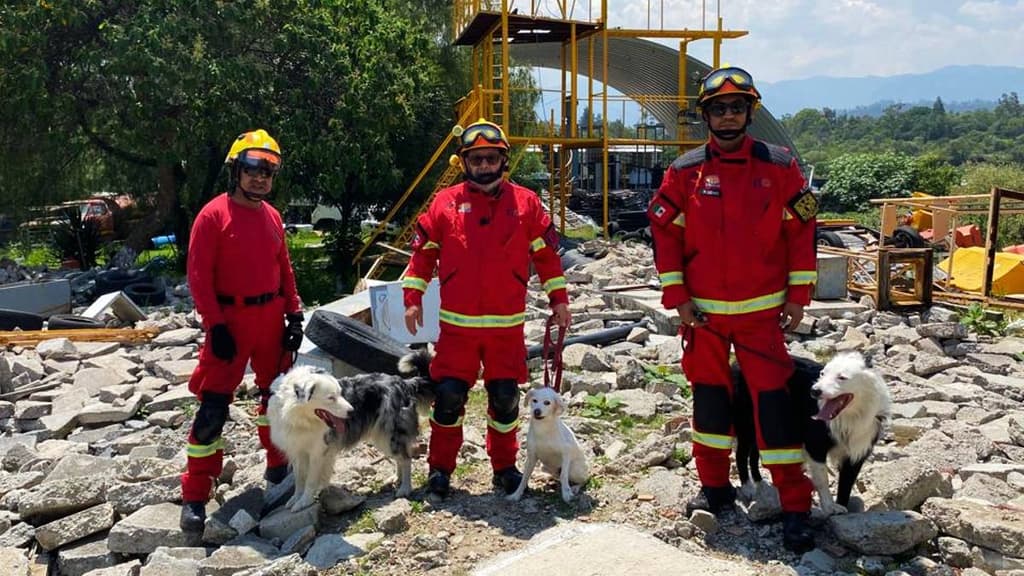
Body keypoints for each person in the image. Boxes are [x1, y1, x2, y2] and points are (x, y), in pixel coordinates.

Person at [647, 66, 819, 552]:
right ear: (706, 116)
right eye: (718, 109)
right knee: (711, 401)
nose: (728, 116)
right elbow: (664, 234)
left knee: (774, 407)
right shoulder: (684, 173)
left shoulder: (780, 167)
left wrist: (798, 296)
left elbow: (802, 232)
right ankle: (715, 488)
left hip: (762, 316)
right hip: (703, 316)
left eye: (736, 107)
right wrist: (677, 297)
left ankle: (794, 506)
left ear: (750, 111)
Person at [402, 119, 572, 497]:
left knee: (506, 399)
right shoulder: (445, 203)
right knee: (447, 397)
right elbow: (423, 254)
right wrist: (412, 300)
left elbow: (547, 258)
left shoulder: (526, 203)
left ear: (502, 160)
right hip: (457, 330)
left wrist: (559, 299)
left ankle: (505, 468)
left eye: (490, 158)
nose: (483, 165)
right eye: (476, 159)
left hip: (505, 329)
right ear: (465, 162)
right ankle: (440, 470)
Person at [179, 129, 305, 532]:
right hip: (229, 321)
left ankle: (278, 469)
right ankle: (195, 494)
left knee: (277, 401)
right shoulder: (212, 216)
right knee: (212, 409)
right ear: (236, 170)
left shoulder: (272, 216)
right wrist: (215, 325)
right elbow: (199, 277)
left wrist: (295, 315)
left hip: (269, 317)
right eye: (253, 168)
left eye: (268, 170)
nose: (260, 177)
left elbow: (283, 267)